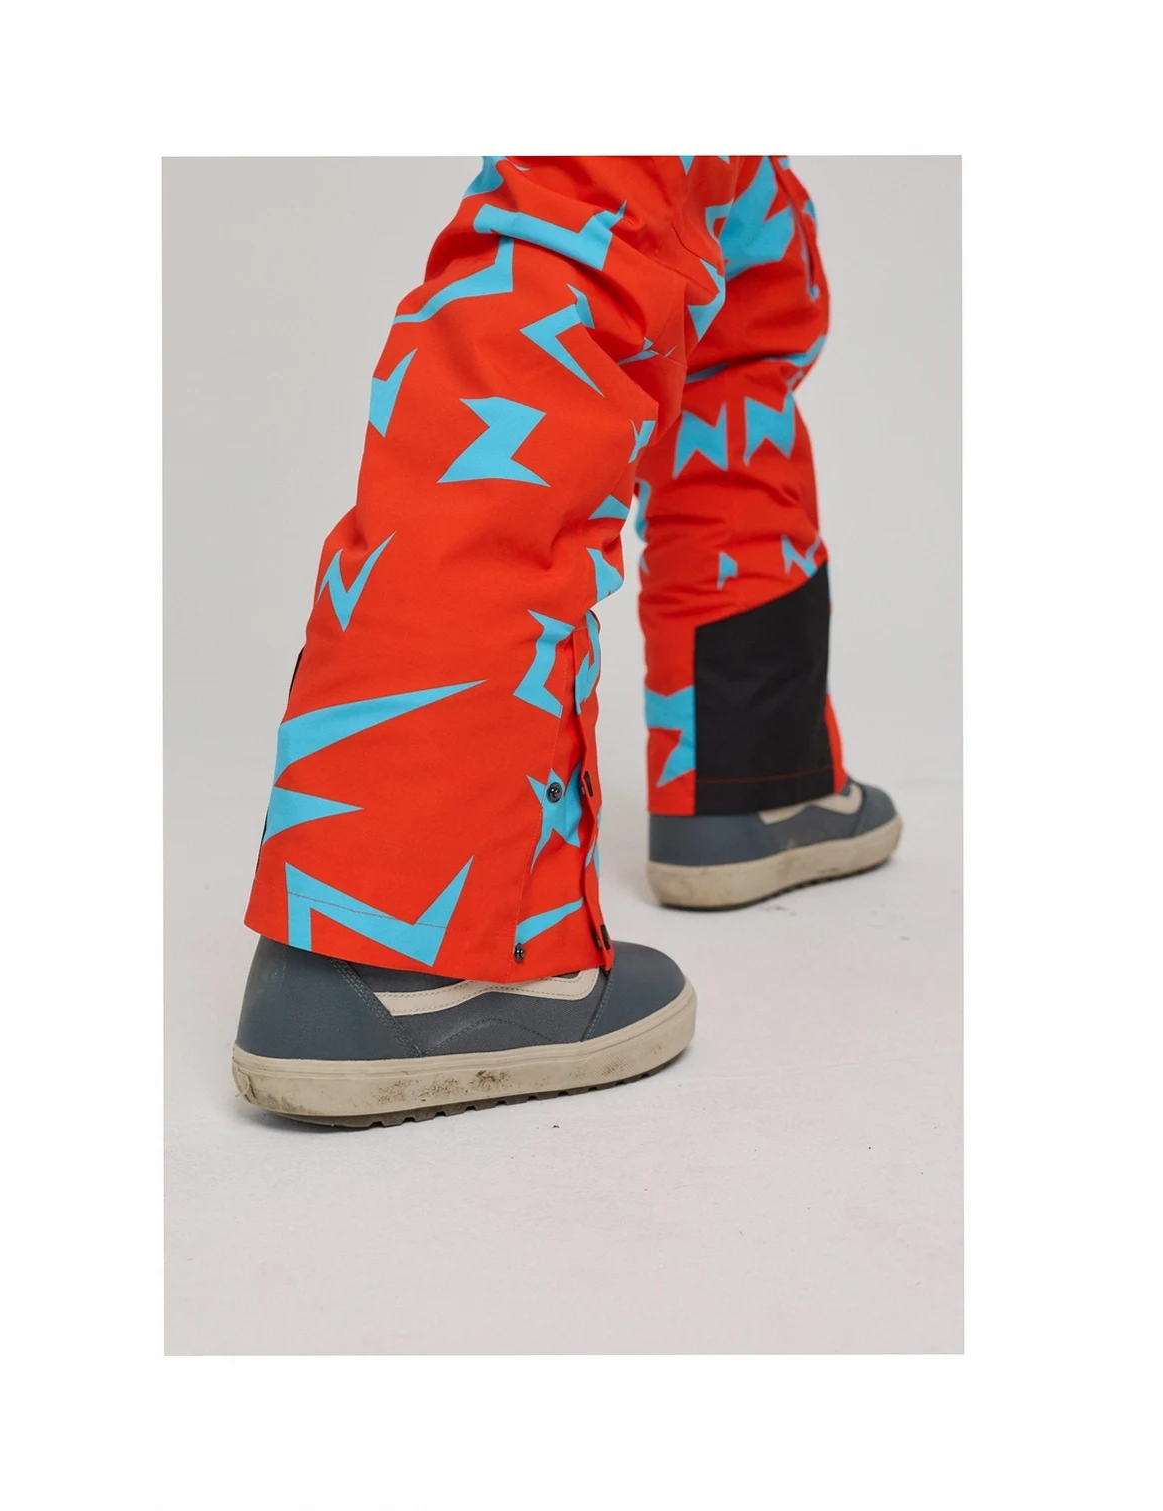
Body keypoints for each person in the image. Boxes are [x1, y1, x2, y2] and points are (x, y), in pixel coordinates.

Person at [231, 155, 901, 1127]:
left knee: (741, 260)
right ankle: (399, 939)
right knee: (590, 203)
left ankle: (753, 771)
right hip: (405, 929)